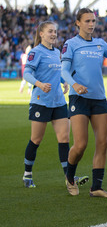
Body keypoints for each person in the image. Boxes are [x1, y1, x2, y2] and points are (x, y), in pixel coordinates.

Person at [61, 8, 107, 197]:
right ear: (78, 23)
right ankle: (70, 177)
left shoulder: (100, 44)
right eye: (87, 21)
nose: (91, 24)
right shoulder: (71, 44)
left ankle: (96, 187)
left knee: (103, 142)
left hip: (99, 99)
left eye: (93, 21)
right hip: (78, 98)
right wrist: (75, 84)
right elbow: (63, 71)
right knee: (80, 145)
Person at [22, 21, 70, 188]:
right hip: (41, 101)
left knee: (64, 138)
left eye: (55, 31)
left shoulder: (57, 52)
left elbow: (58, 72)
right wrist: (39, 84)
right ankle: (27, 174)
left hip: (58, 102)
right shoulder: (36, 52)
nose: (53, 34)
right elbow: (26, 73)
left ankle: (68, 177)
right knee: (36, 139)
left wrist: (65, 82)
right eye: (50, 31)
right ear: (41, 34)